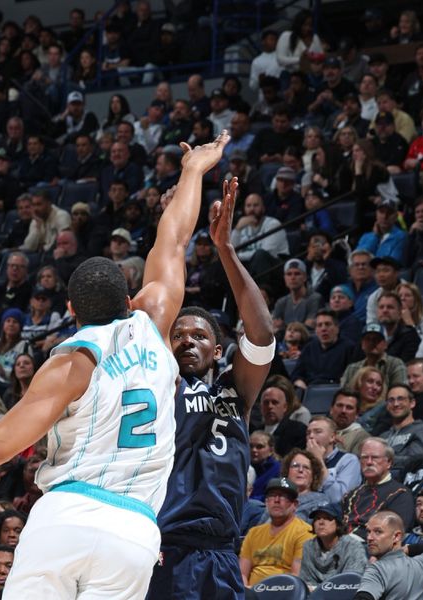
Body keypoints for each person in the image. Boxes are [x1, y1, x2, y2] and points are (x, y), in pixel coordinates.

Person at [0, 133, 231, 599]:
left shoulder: (70, 363)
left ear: (72, 313)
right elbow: (173, 240)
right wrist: (195, 170)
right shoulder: (154, 324)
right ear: (129, 299)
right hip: (135, 530)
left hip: (67, 516)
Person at [147, 173, 274, 600]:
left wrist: (226, 249)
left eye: (199, 336)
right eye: (178, 334)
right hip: (165, 546)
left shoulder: (235, 389)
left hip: (220, 551)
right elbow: (154, 303)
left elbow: (262, 335)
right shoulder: (159, 382)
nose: (186, 339)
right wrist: (172, 230)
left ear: (219, 351)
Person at [238, 477, 313, 586]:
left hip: (285, 592)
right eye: (272, 495)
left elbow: (297, 577)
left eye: (283, 496)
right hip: (252, 593)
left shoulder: (304, 532)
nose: (276, 500)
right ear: (266, 501)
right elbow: (242, 574)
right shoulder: (254, 533)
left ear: (295, 504)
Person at [355, 511, 423, 600]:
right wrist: (407, 549)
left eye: (378, 532)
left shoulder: (377, 570)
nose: (369, 538)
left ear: (396, 536)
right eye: (368, 531)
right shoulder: (421, 564)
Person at [342, 437, 414, 538]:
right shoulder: (351, 495)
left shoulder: (400, 494)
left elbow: (393, 535)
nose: (369, 462)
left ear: (389, 462)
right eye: (364, 457)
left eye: (375, 457)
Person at [298, 501, 367, 590]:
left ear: (338, 523)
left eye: (327, 518)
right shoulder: (308, 546)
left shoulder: (352, 546)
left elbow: (352, 582)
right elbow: (306, 580)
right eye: (317, 518)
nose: (321, 522)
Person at [306, 416, 361, 505]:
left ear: (332, 437)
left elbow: (339, 498)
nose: (311, 436)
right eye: (308, 433)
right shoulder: (303, 461)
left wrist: (318, 460)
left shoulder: (349, 461)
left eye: (318, 432)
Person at [380, 384, 423, 476]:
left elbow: (415, 460)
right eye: (391, 400)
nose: (396, 404)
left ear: (412, 403)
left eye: (400, 399)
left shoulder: (421, 430)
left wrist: (381, 459)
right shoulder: (382, 436)